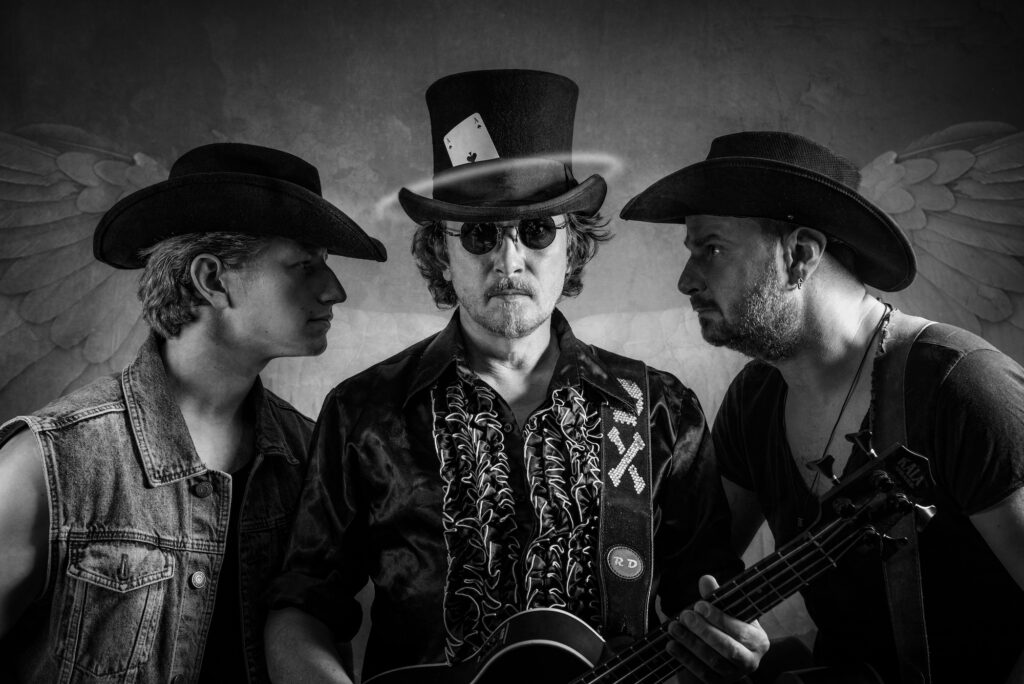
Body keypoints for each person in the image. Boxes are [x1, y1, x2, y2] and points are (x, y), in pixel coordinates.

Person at [264, 70, 768, 684]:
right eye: (480, 235)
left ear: (572, 245)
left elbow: (707, 601)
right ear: (442, 252)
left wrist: (732, 647)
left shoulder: (659, 411)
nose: (509, 260)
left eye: (536, 231)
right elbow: (302, 607)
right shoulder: (363, 412)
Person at [621, 130, 1024, 684]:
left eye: (711, 249)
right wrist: (723, 638)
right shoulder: (756, 399)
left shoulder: (962, 387)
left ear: (800, 255)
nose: (686, 280)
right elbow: (703, 568)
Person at [0, 142, 387, 683]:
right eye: (304, 265)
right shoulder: (47, 467)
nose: (335, 290)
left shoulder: (311, 459)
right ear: (211, 279)